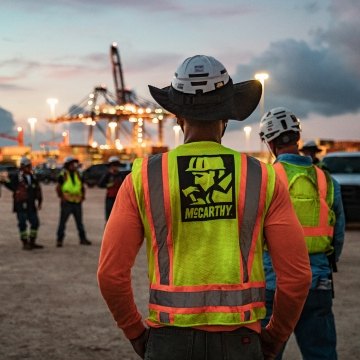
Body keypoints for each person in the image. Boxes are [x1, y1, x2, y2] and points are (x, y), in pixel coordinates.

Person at [98, 55, 311, 360]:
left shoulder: (143, 177)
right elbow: (297, 277)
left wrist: (135, 333)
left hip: (168, 340)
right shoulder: (262, 177)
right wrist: (275, 337)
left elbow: (110, 274)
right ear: (227, 117)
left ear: (178, 117)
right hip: (243, 340)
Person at [259, 107, 346, 359]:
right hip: (317, 280)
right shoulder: (327, 181)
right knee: (321, 352)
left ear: (271, 142)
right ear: (297, 138)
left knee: (266, 353)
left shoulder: (266, 178)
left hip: (273, 281)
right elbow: (337, 236)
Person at [1, 157, 44, 250]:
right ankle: (25, 243)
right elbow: (9, 184)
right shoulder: (16, 177)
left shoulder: (33, 177)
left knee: (35, 223)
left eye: (29, 166)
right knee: (22, 224)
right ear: (22, 167)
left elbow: (38, 190)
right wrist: (14, 189)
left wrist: (40, 201)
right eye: (27, 166)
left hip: (31, 204)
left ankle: (32, 241)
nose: (29, 168)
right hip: (21, 204)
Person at [56, 156, 91, 247]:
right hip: (66, 202)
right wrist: (61, 197)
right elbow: (58, 187)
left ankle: (82, 239)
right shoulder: (63, 174)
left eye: (74, 164)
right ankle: (59, 240)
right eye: (71, 164)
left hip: (77, 201)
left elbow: (82, 186)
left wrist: (83, 196)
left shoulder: (79, 174)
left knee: (79, 222)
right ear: (67, 165)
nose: (73, 165)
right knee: (63, 222)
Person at [98, 156, 129, 221]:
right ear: (110, 166)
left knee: (120, 218)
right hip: (110, 199)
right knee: (109, 218)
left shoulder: (121, 175)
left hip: (120, 199)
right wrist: (108, 185)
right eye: (113, 165)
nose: (115, 167)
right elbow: (100, 184)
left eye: (116, 165)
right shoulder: (107, 175)